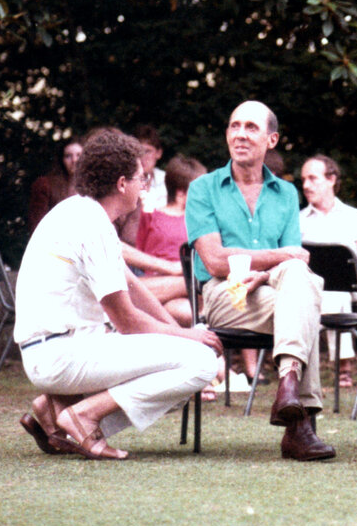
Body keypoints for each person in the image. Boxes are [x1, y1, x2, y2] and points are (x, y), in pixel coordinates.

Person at [14, 130, 222, 460]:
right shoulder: (92, 225)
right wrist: (189, 338)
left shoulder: (81, 212)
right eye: (142, 178)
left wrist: (189, 333)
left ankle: (56, 408)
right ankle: (82, 416)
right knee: (200, 365)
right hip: (60, 353)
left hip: (55, 349)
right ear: (122, 183)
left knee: (191, 354)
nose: (145, 186)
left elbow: (135, 288)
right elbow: (126, 321)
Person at [186, 100, 335, 461]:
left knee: (299, 284)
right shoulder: (202, 189)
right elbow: (216, 261)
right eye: (234, 126)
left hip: (273, 288)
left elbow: (294, 264)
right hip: (224, 295)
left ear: (271, 139)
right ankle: (300, 428)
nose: (240, 134)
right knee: (305, 301)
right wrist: (279, 258)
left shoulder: (285, 193)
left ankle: (287, 385)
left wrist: (265, 272)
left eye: (251, 127)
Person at [299, 154, 357, 388]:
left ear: (331, 179)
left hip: (351, 285)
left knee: (338, 287)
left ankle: (305, 364)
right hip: (314, 287)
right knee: (331, 292)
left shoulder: (355, 217)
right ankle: (344, 368)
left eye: (313, 178)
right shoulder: (298, 220)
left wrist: (337, 264)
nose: (306, 185)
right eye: (303, 179)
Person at [136, 155, 207, 325]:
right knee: (173, 310)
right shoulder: (150, 217)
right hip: (158, 283)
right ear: (181, 194)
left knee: (181, 311)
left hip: (191, 291)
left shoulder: (201, 221)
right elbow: (140, 256)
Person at [28, 137, 83, 232]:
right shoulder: (45, 185)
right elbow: (38, 227)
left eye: (79, 155)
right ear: (61, 160)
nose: (74, 160)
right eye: (68, 156)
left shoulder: (93, 187)